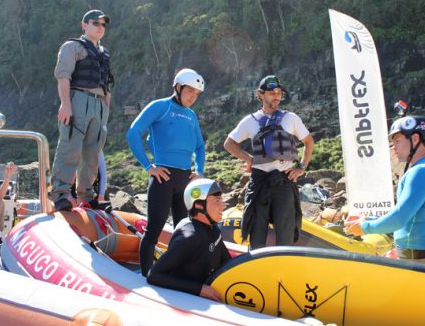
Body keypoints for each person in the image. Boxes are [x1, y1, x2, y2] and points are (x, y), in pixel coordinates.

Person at [126, 68, 206, 276]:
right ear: (178, 87)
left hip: (185, 180)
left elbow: (200, 146)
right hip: (164, 177)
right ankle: (146, 276)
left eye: (196, 94)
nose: (192, 97)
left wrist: (199, 170)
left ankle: (175, 273)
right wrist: (148, 166)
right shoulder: (161, 107)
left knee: (183, 232)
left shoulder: (191, 115)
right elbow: (133, 133)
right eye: (189, 91)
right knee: (154, 229)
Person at [344, 116, 425, 267]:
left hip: (419, 262)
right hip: (419, 258)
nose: (393, 146)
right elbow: (411, 217)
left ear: (415, 139)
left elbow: (399, 218)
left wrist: (364, 228)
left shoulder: (421, 171)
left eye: (397, 140)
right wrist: (368, 219)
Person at [223, 75, 314, 249]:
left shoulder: (291, 118)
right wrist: (248, 158)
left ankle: (284, 273)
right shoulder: (250, 121)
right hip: (260, 181)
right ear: (261, 94)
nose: (276, 96)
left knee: (286, 235)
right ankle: (257, 272)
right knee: (256, 236)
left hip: (284, 180)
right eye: (272, 93)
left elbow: (309, 141)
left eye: (279, 92)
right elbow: (229, 144)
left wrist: (301, 167)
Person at [49, 9, 113, 212]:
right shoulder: (72, 47)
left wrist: (106, 110)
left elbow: (106, 84)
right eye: (96, 23)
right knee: (70, 146)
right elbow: (63, 76)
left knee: (92, 152)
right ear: (84, 25)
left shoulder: (103, 53)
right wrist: (65, 104)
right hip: (78, 99)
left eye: (103, 24)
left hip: (98, 103)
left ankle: (86, 195)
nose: (100, 27)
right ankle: (60, 194)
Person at [147, 178, 229, 301]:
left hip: (208, 289)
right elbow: (154, 275)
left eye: (221, 199)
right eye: (217, 201)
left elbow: (227, 261)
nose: (223, 205)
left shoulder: (213, 229)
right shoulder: (190, 237)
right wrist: (199, 289)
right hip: (187, 300)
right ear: (198, 205)